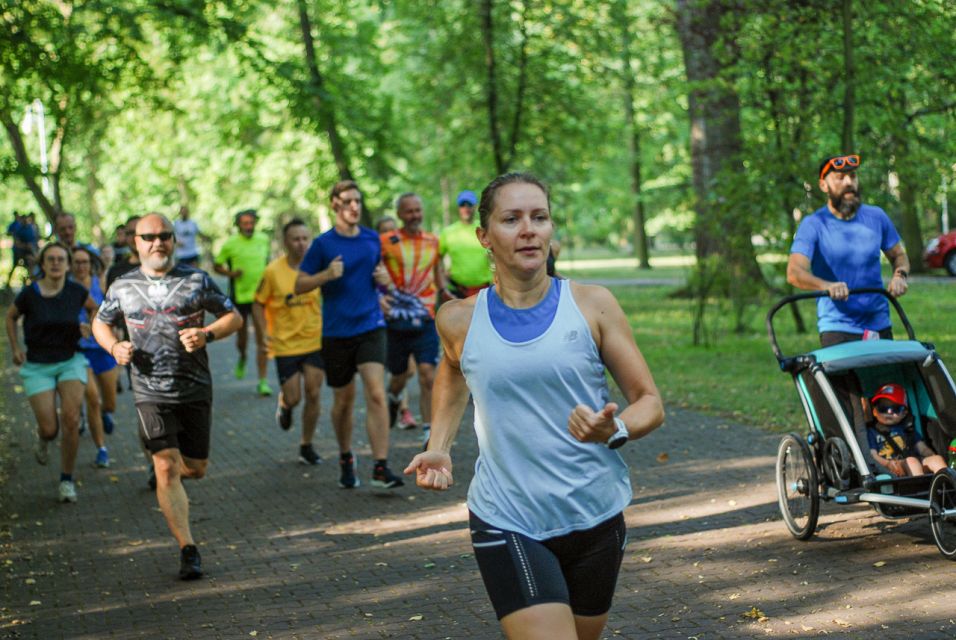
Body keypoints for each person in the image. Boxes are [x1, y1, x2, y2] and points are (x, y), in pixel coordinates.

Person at [404, 173, 665, 639]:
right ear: (484, 236)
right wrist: (439, 444)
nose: (529, 229)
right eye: (512, 219)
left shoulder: (592, 305)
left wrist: (616, 429)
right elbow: (452, 369)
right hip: (507, 515)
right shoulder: (458, 318)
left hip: (595, 513)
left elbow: (649, 402)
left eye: (539, 217)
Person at [93, 213, 242, 580]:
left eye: (165, 236)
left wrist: (207, 334)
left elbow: (233, 317)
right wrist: (114, 348)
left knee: (195, 469)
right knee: (165, 466)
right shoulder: (122, 285)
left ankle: (172, 469)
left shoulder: (196, 280)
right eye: (149, 237)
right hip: (149, 389)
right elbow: (101, 322)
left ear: (174, 240)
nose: (158, 242)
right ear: (136, 242)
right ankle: (187, 548)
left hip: (193, 387)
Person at [295, 179, 404, 490]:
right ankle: (346, 456)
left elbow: (379, 279)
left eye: (358, 201)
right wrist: (325, 275)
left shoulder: (372, 239)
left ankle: (381, 466)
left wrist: (385, 282)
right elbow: (299, 284)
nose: (355, 206)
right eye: (348, 202)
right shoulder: (322, 245)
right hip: (336, 332)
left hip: (371, 326)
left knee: (376, 392)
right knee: (343, 401)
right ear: (335, 205)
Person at [5, 243, 99, 502]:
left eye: (61, 259)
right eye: (51, 259)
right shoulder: (29, 294)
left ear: (68, 265)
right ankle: (44, 438)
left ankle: (66, 480)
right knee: (49, 429)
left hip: (70, 360)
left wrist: (90, 326)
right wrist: (15, 348)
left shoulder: (76, 291)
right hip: (37, 366)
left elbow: (95, 309)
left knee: (70, 419)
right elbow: (10, 317)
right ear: (43, 264)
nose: (56, 263)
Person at [786, 154, 910, 346]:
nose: (848, 182)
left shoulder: (876, 217)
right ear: (823, 186)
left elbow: (899, 255)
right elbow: (794, 273)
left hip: (879, 325)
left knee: (888, 377)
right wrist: (827, 286)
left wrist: (900, 275)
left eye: (852, 176)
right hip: (838, 329)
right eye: (840, 178)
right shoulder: (813, 224)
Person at [253, 218, 324, 465]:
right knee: (295, 397)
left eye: (305, 238)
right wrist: (263, 334)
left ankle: (306, 444)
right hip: (285, 343)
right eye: (296, 239)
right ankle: (285, 404)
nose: (301, 243)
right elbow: (258, 303)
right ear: (285, 242)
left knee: (314, 394)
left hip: (314, 340)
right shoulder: (273, 271)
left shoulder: (317, 268)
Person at [380, 193, 445, 434]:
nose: (414, 216)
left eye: (417, 210)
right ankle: (394, 397)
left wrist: (449, 296)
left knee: (428, 375)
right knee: (400, 376)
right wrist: (379, 297)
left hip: (425, 317)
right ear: (399, 214)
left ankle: (429, 432)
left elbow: (438, 275)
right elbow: (374, 273)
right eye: (409, 211)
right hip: (395, 320)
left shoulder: (433, 241)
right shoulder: (385, 241)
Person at [214, 209, 272, 396]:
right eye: (244, 223)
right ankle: (242, 356)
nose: (248, 226)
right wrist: (231, 274)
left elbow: (268, 262)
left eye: (251, 222)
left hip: (259, 297)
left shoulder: (263, 239)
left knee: (262, 338)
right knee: (242, 340)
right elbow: (217, 265)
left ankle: (262, 381)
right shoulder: (230, 244)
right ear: (238, 225)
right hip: (239, 297)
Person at [72, 246, 119, 467]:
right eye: (76, 262)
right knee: (93, 400)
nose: (81, 266)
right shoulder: (65, 286)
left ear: (91, 264)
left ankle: (106, 414)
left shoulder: (99, 282)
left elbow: (110, 309)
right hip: (79, 351)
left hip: (103, 347)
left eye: (84, 262)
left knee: (109, 404)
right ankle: (102, 449)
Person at [867, 383, 946, 477]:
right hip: (890, 465)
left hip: (912, 461)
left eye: (894, 409)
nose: (888, 413)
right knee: (912, 462)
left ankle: (948, 484)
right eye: (883, 408)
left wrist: (931, 455)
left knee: (937, 459)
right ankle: (921, 488)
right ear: (875, 411)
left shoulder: (907, 428)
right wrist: (887, 464)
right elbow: (873, 455)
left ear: (904, 413)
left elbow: (922, 448)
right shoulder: (872, 431)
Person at [439, 189, 493, 298]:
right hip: (456, 290)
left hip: (484, 291)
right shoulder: (448, 232)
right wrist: (442, 285)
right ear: (458, 208)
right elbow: (437, 259)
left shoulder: (485, 229)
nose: (466, 208)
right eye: (462, 205)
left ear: (475, 206)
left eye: (469, 204)